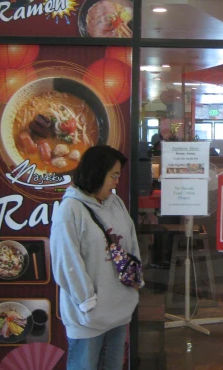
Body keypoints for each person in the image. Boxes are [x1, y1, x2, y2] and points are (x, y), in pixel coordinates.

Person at [51, 145, 142, 370]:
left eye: (118, 175)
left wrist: (136, 279)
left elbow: (131, 242)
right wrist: (86, 300)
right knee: (85, 365)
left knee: (112, 365)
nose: (116, 181)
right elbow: (66, 261)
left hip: (119, 307)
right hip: (87, 314)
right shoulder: (70, 209)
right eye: (113, 175)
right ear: (96, 173)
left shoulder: (116, 203)